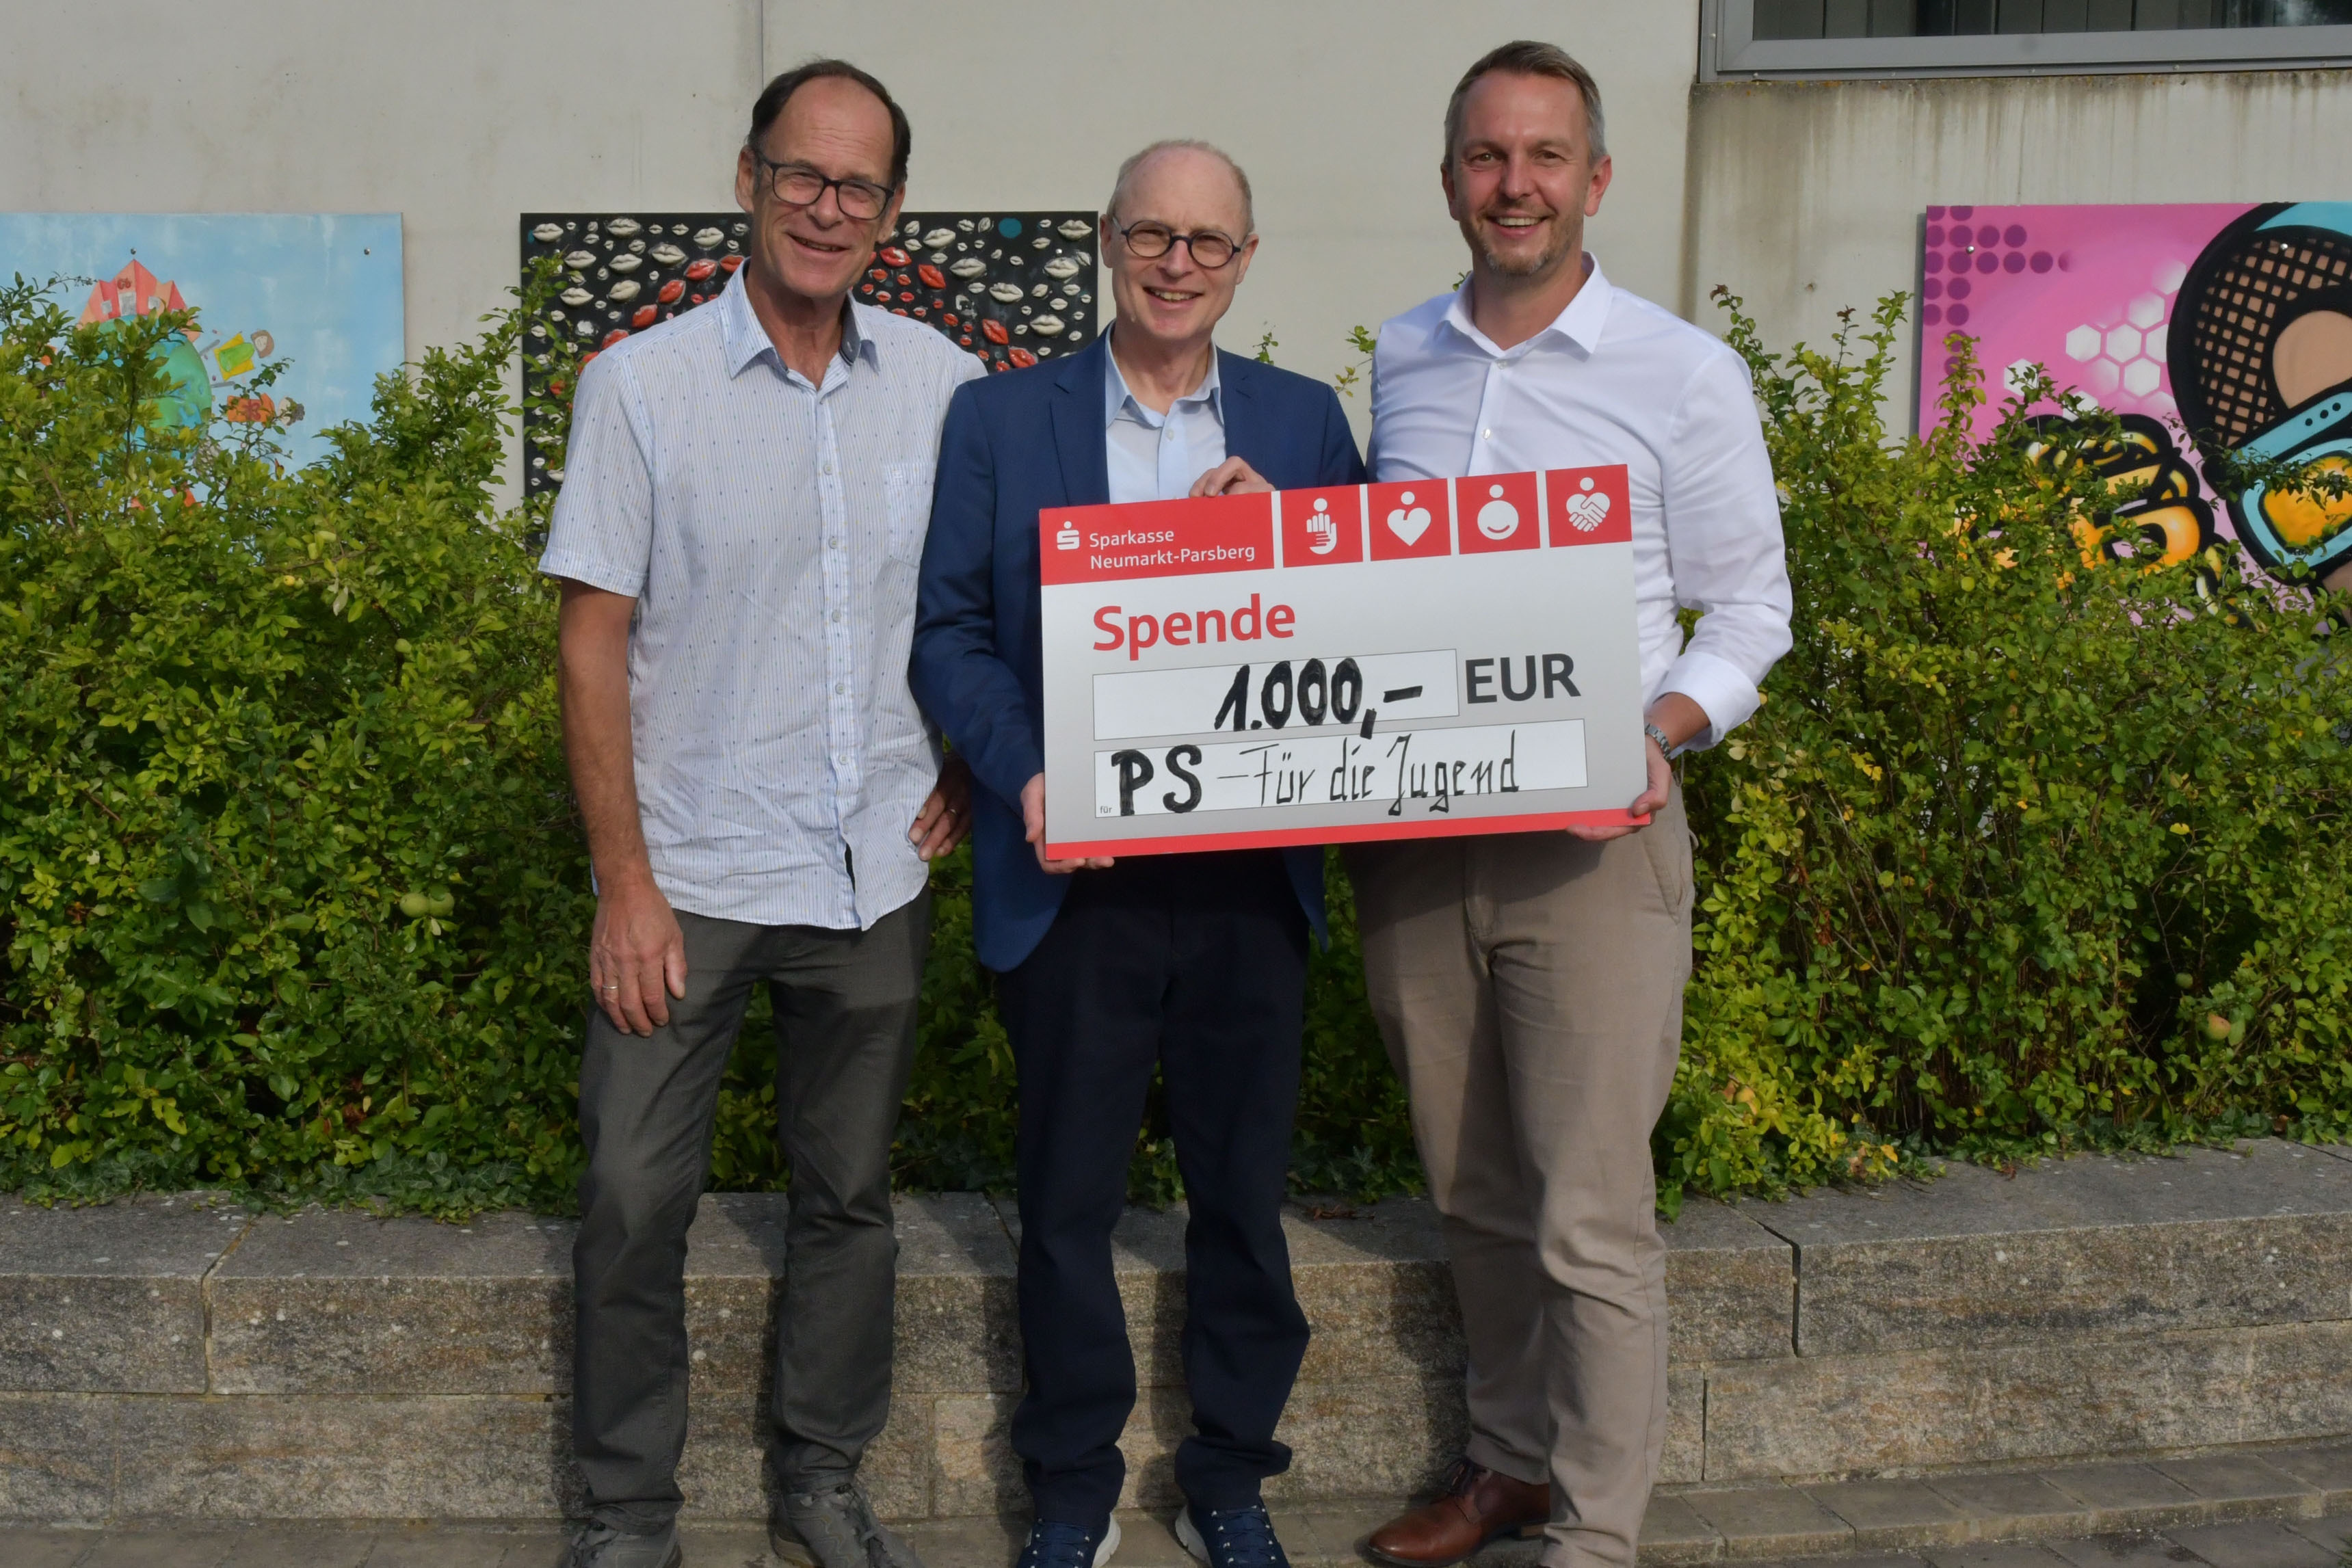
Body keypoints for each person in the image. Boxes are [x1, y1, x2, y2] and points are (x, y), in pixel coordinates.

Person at [1350, 41, 1793, 1568]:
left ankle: (1592, 1533)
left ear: (1595, 179)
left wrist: (1661, 726)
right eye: (1486, 156)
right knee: (1471, 1192)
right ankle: (1507, 1463)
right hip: (1418, 842)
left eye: (1544, 157)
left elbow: (1750, 615)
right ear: (1451, 178)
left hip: (1594, 844)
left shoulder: (1680, 372)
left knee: (1588, 1213)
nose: (1513, 185)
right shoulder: (1403, 355)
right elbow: (1374, 590)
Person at [538, 58, 983, 1568]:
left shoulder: (939, 382)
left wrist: (970, 758)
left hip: (871, 865)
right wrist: (623, 882)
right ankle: (623, 1510)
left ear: (892, 213)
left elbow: (973, 609)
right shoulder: (641, 386)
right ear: (747, 176)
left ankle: (820, 1475)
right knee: (628, 1194)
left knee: (849, 1197)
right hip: (692, 872)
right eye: (800, 173)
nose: (824, 205)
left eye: (856, 185)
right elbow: (591, 636)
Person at [910, 141, 1365, 1568]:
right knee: (1064, 1202)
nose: (1178, 264)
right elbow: (949, 631)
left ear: (1245, 259)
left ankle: (1228, 1472)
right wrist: (1027, 769)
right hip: (1076, 876)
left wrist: (1279, 546)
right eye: (1152, 235)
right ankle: (1069, 1488)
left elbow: (1362, 627)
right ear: (1108, 241)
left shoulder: (1302, 423)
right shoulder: (999, 418)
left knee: (1239, 1195)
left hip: (1247, 880)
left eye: (1208, 243)